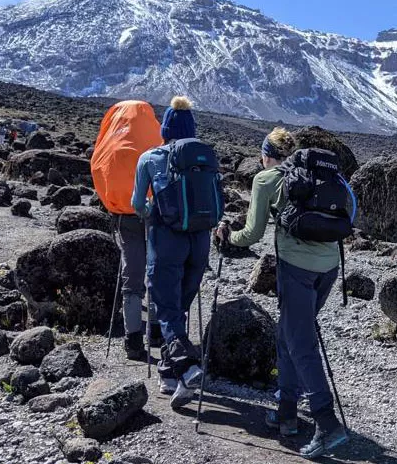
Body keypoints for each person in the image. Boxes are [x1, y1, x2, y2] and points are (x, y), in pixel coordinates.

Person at [216, 128, 350, 460]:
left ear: (266, 153)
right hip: (330, 266)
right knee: (289, 335)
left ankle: (326, 421)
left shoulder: (266, 179)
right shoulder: (324, 176)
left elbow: (252, 233)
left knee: (300, 341)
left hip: (297, 270)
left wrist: (227, 237)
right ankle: (287, 411)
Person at [132, 95, 207, 409]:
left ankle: (187, 367)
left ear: (165, 129)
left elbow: (138, 204)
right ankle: (168, 373)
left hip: (166, 242)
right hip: (200, 244)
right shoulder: (204, 157)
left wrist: (151, 209)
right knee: (177, 309)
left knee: (165, 308)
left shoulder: (150, 158)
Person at [91, 100, 163, 361]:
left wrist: (111, 203)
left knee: (131, 276)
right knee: (156, 271)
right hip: (155, 214)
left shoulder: (111, 140)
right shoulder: (157, 135)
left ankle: (133, 340)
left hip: (124, 215)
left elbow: (98, 168)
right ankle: (156, 331)